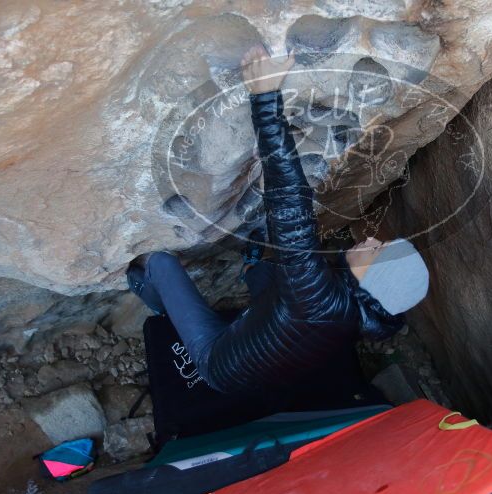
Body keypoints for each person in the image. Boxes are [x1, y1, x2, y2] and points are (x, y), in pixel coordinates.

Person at [127, 45, 429, 393]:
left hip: (220, 363)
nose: (371, 240)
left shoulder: (316, 296)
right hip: (270, 346)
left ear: (373, 284)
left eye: (377, 252)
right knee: (265, 269)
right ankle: (252, 272)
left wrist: (264, 97)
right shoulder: (364, 314)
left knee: (161, 263)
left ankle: (149, 293)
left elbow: (289, 202)